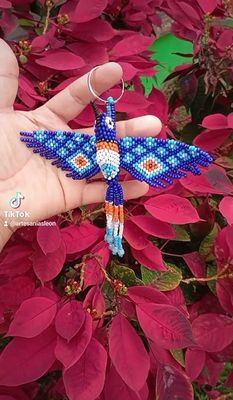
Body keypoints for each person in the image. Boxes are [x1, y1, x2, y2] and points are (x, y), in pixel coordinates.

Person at [0, 39, 162, 251]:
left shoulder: (121, 147)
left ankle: (114, 238)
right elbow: (35, 139)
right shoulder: (83, 146)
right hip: (94, 167)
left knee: (115, 203)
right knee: (115, 203)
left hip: (104, 171)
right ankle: (114, 238)